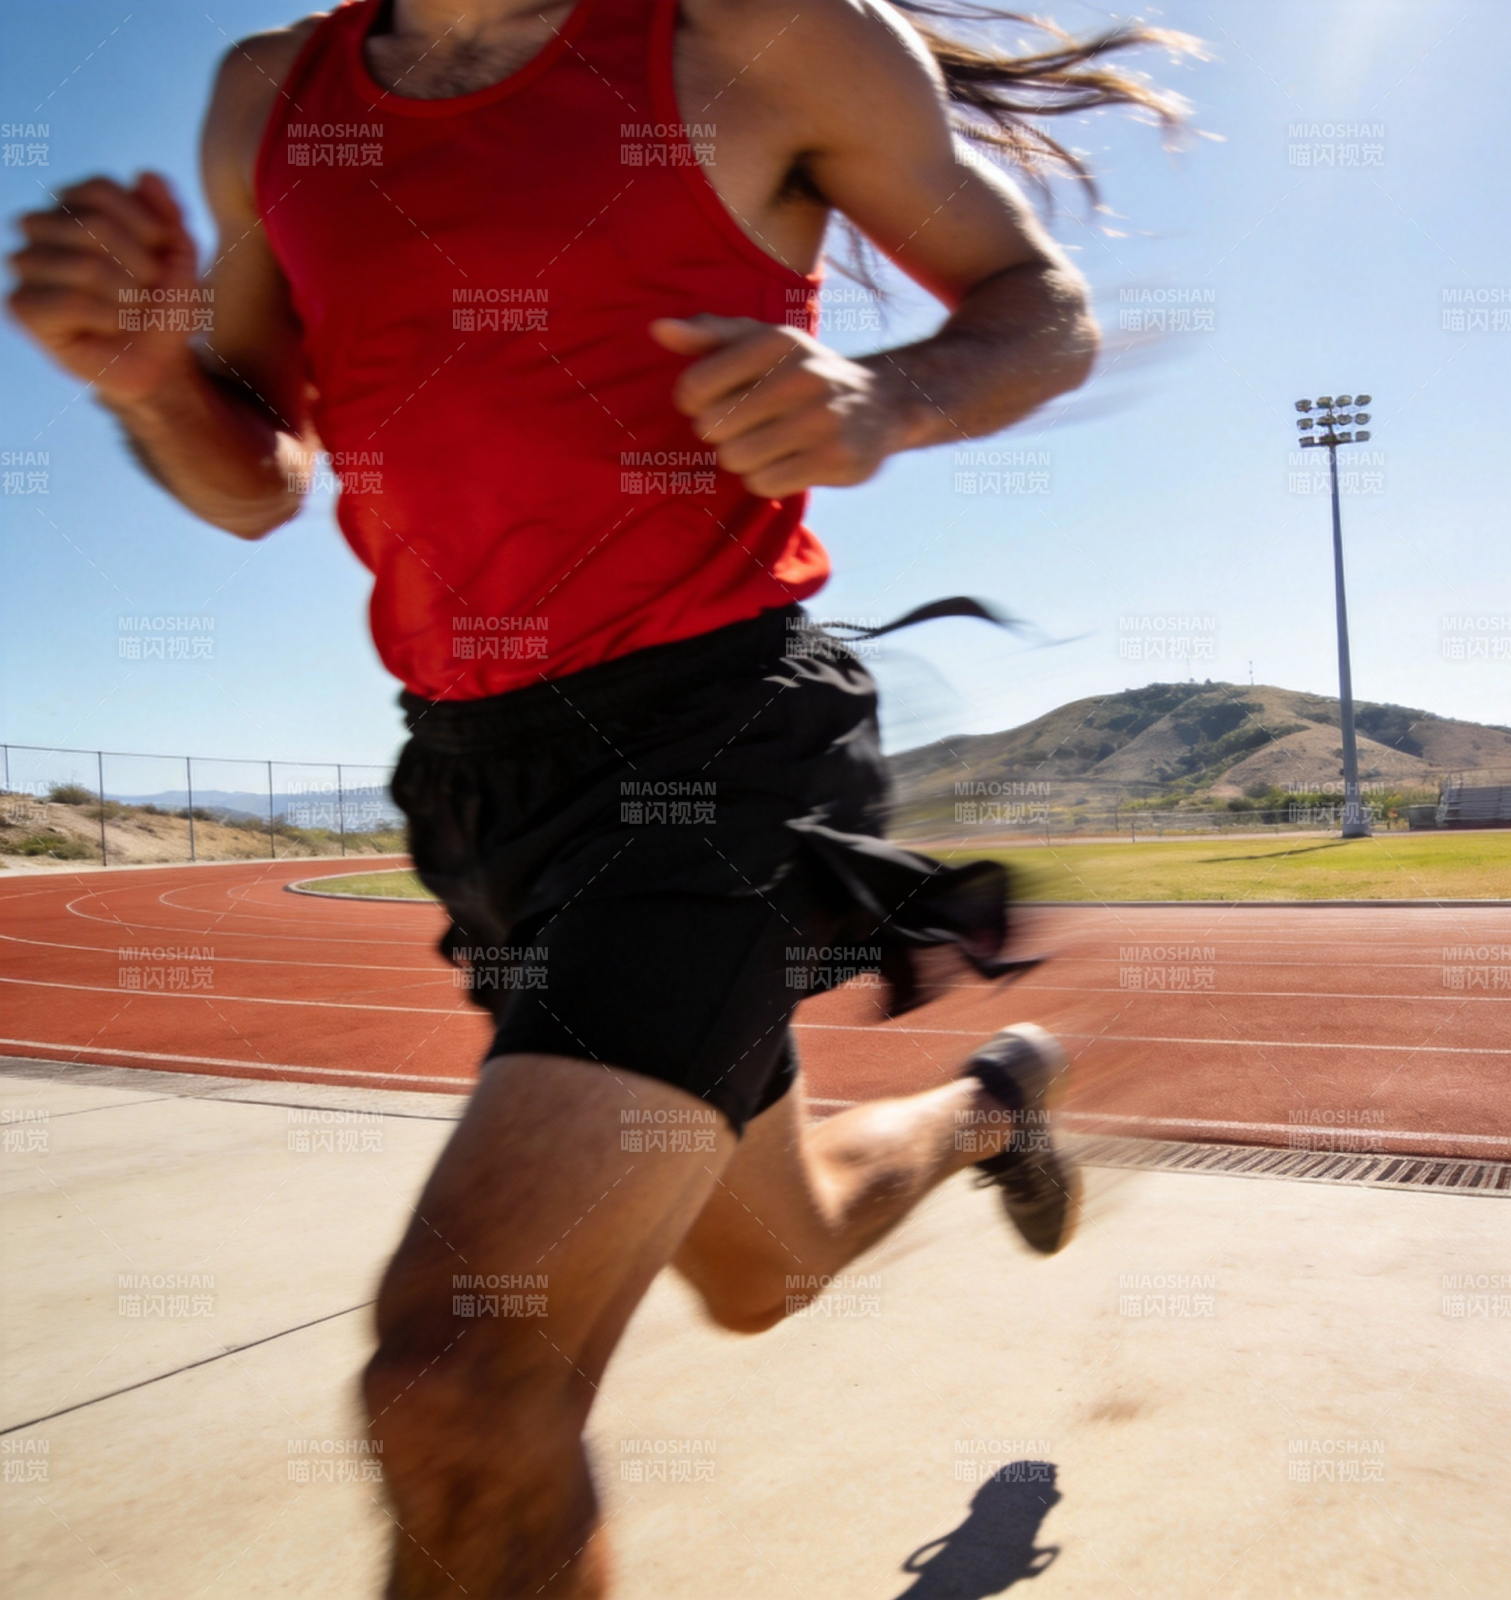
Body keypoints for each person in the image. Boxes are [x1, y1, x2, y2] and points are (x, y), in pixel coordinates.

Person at [7, 0, 1190, 1591]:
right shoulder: (264, 98)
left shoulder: (759, 36)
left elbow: (1039, 305)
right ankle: (996, 1106)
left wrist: (890, 399)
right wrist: (153, 382)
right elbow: (257, 476)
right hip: (476, 783)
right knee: (772, 1266)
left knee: (457, 1381)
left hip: (719, 736)